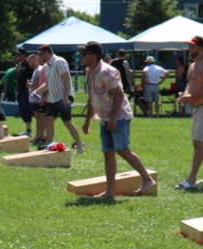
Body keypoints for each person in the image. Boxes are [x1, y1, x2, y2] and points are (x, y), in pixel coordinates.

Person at [79, 41, 155, 199]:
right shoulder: (90, 72)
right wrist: (87, 120)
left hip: (118, 116)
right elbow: (92, 98)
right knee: (108, 153)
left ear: (93, 56)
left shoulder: (107, 71)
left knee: (122, 150)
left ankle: (147, 180)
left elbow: (119, 94)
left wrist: (113, 118)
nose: (81, 57)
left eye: (84, 54)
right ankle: (110, 191)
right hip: (106, 118)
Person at [175, 35, 203, 190]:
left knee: (199, 142)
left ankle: (191, 179)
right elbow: (190, 84)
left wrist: (192, 96)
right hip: (199, 108)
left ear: (200, 48)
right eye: (189, 46)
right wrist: (186, 96)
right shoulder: (194, 65)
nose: (189, 49)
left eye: (192, 46)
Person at [37, 45, 85, 153]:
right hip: (52, 98)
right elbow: (48, 83)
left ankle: (80, 146)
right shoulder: (48, 66)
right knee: (48, 120)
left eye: (40, 54)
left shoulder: (59, 61)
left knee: (67, 122)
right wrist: (37, 91)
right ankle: (47, 147)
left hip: (63, 97)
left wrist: (65, 97)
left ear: (46, 53)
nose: (39, 57)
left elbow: (67, 79)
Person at [27, 53, 47, 146]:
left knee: (40, 118)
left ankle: (41, 136)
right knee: (37, 118)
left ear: (35, 60)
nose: (28, 64)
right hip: (33, 98)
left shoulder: (40, 69)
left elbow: (42, 84)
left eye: (30, 62)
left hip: (37, 98)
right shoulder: (35, 70)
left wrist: (31, 85)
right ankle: (38, 135)